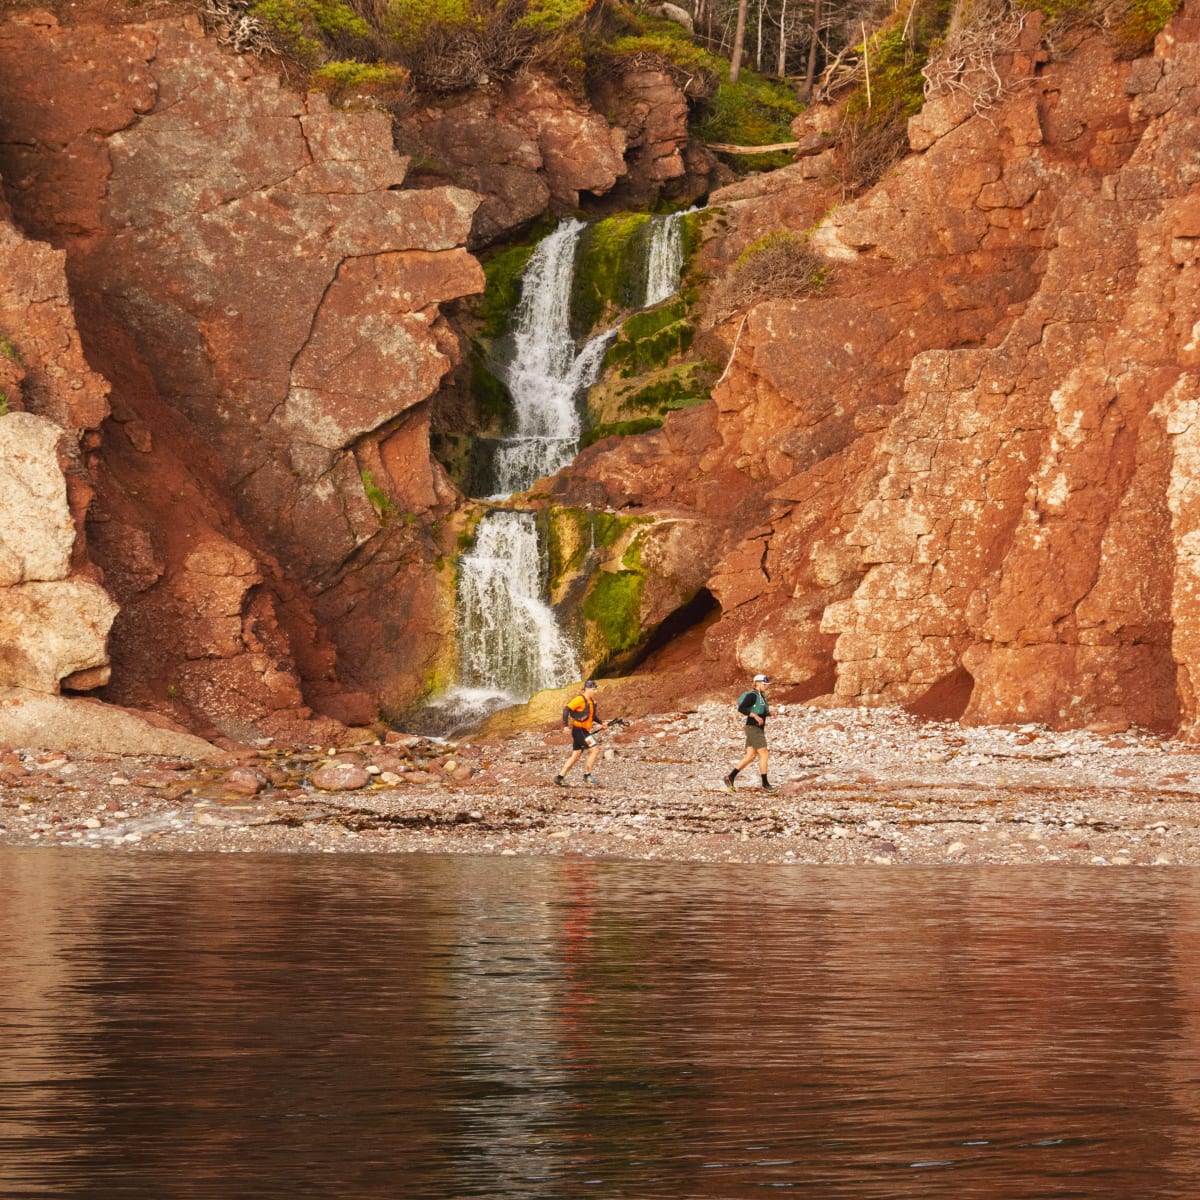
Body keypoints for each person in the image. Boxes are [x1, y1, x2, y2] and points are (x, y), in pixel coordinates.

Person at [723, 673, 780, 793]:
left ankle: (730, 777)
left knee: (750, 756)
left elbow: (761, 712)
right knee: (764, 753)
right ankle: (765, 784)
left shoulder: (762, 696)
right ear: (757, 683)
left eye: (767, 684)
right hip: (753, 728)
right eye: (764, 684)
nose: (766, 686)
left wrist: (770, 713)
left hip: (755, 728)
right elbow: (741, 708)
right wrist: (755, 716)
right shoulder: (752, 696)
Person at [555, 680, 608, 787]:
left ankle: (560, 777)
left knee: (575, 756)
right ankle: (587, 775)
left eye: (595, 689)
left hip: (583, 731)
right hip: (579, 731)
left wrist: (601, 723)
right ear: (587, 689)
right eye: (594, 689)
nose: (595, 691)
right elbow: (566, 709)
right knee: (595, 749)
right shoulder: (579, 699)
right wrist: (565, 726)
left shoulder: (592, 700)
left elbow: (591, 715)